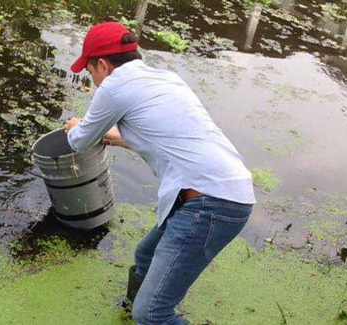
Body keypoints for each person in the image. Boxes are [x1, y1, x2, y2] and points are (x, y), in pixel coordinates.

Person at [64, 22, 256, 325]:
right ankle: (131, 311)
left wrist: (76, 127)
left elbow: (80, 140)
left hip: (207, 205)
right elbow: (163, 140)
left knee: (152, 314)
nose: (95, 82)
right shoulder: (167, 79)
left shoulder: (114, 87)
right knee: (145, 256)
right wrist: (115, 138)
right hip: (226, 193)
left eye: (91, 73)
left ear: (102, 64)